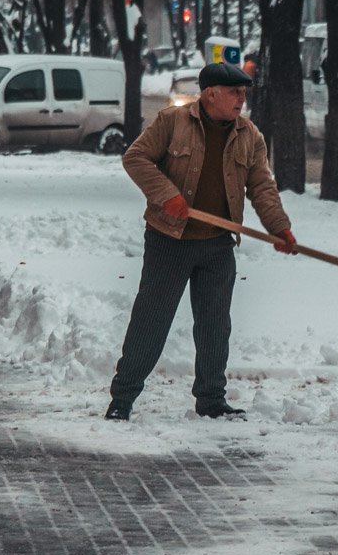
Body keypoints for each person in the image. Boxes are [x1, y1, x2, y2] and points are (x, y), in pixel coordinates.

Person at [106, 62, 297, 422]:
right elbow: (136, 158)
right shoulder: (172, 122)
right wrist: (168, 196)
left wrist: (279, 228)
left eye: (244, 93)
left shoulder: (249, 136)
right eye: (235, 93)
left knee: (214, 326)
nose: (242, 99)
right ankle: (123, 397)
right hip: (169, 241)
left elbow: (262, 187)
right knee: (151, 320)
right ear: (211, 94)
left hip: (218, 244)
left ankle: (211, 400)